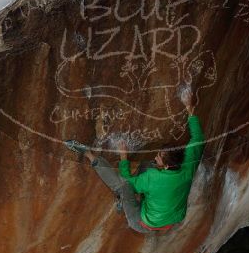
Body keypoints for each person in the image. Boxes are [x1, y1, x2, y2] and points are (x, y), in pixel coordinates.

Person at [65, 89, 204, 233]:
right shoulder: (188, 165)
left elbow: (127, 181)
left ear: (167, 166)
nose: (156, 156)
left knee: (122, 186)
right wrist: (189, 108)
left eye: (159, 157)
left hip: (142, 223)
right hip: (169, 221)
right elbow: (198, 138)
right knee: (148, 165)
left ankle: (88, 154)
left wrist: (123, 157)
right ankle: (123, 200)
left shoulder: (154, 177)